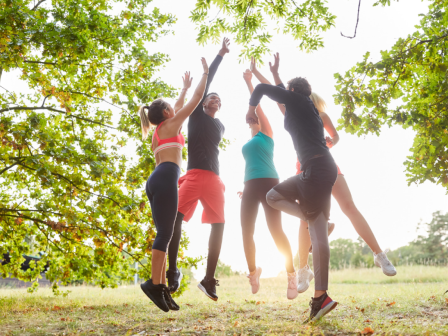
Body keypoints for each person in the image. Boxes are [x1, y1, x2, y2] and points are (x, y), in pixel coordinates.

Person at [247, 53, 338, 322]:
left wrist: (251, 108)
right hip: (321, 169)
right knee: (313, 229)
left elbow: (265, 91)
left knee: (279, 200)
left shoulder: (298, 101)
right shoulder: (303, 106)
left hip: (315, 170)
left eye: (286, 90)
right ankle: (322, 297)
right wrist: (276, 72)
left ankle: (321, 297)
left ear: (293, 91)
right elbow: (278, 97)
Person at [295, 92, 397, 293]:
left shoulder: (321, 117)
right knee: (303, 219)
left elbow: (336, 136)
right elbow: (278, 94)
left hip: (327, 165)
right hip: (305, 168)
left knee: (350, 207)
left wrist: (330, 141)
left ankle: (379, 255)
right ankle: (303, 269)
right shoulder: (294, 119)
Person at [139, 58, 209, 313]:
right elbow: (196, 100)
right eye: (170, 107)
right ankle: (153, 283)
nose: (174, 107)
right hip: (168, 176)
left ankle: (159, 286)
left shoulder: (160, 130)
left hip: (156, 178)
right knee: (165, 234)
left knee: (164, 234)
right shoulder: (171, 124)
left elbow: (178, 105)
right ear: (167, 113)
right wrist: (204, 74)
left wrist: (183, 89)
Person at [166, 38, 230, 301]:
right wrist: (219, 56)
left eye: (218, 99)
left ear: (219, 106)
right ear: (203, 103)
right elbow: (207, 84)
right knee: (174, 219)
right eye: (210, 97)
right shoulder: (196, 114)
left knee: (220, 224)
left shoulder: (221, 126)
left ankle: (208, 279)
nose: (214, 98)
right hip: (192, 176)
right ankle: (172, 273)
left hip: (214, 178)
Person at [238, 68, 297, 299]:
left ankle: (291, 276)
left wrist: (249, 83)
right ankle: (253, 273)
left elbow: (259, 106)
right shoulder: (248, 142)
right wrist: (245, 187)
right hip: (250, 185)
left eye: (255, 118)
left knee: (275, 230)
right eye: (251, 119)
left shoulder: (267, 135)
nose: (253, 120)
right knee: (246, 231)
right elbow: (250, 166)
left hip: (271, 183)